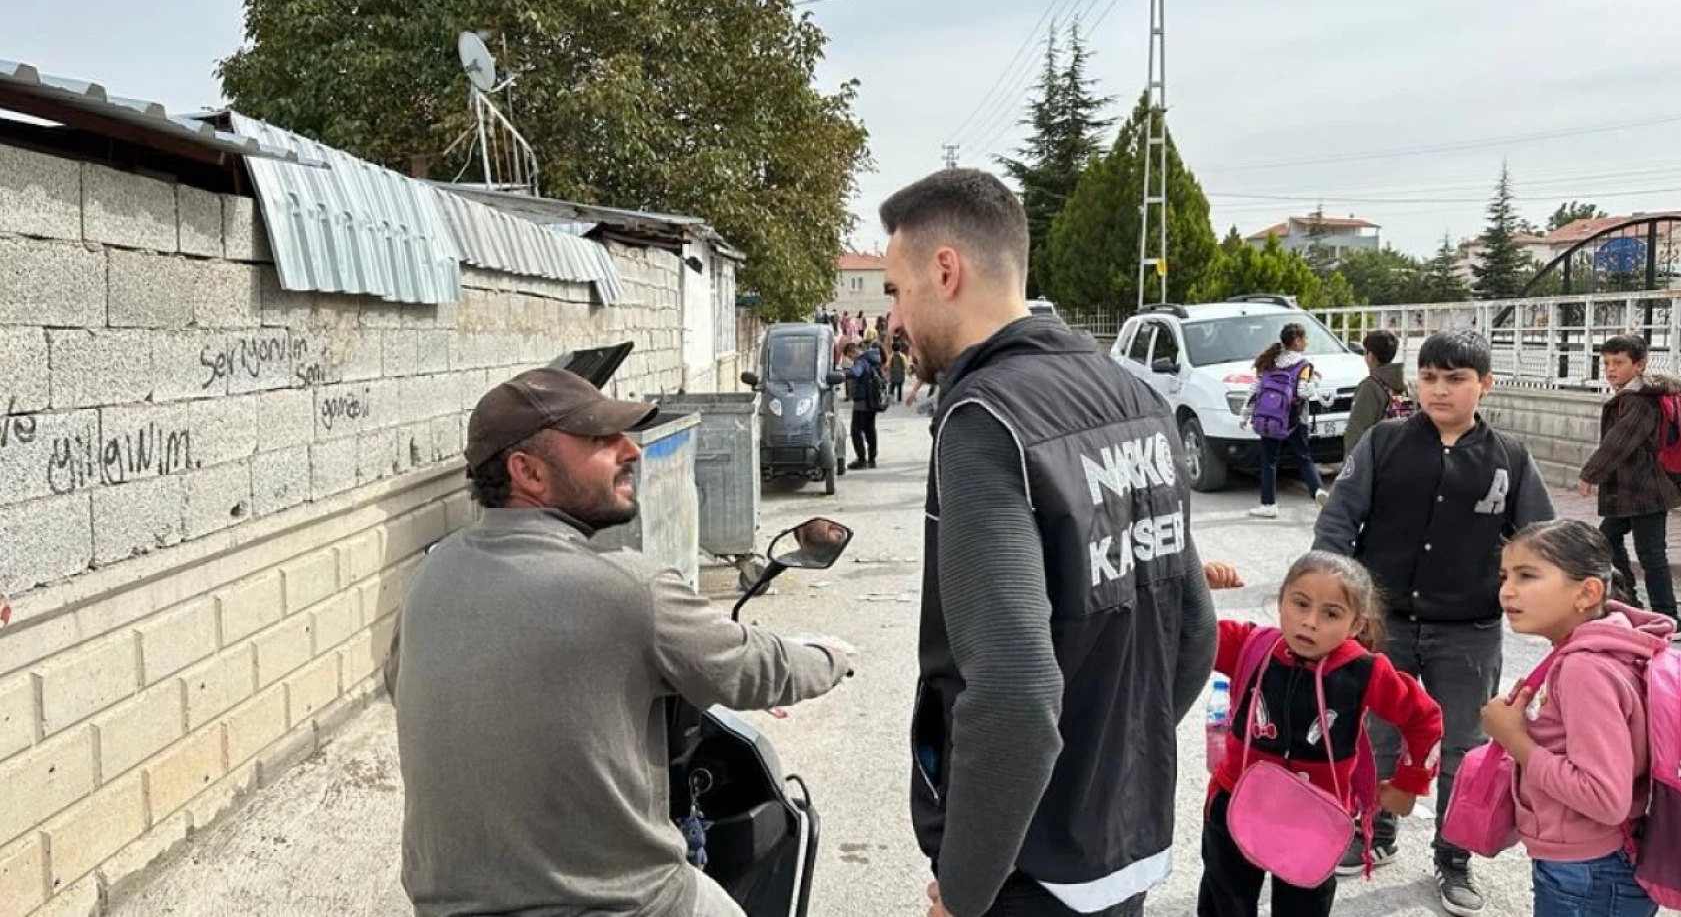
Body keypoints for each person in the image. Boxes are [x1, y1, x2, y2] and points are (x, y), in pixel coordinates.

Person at [389, 367, 852, 917]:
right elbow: (757, 670)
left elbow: (402, 682)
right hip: (622, 904)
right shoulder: (627, 588)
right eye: (598, 439)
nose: (629, 449)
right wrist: (832, 657)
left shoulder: (430, 578)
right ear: (528, 471)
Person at [881, 167, 1217, 917]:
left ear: (946, 271)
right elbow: (1195, 631)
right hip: (1118, 846)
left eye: (897, 292)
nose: (895, 323)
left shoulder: (984, 421)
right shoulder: (1136, 394)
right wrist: (1111, 760)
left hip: (1028, 867)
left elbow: (1014, 692)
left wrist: (966, 887)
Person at [1315, 329, 1555, 917]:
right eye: (1429, 377)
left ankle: (1453, 856)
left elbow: (1541, 542)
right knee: (1378, 734)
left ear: (1484, 385)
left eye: (1455, 379)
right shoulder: (1383, 443)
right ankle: (1375, 825)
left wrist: (1536, 598)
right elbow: (1338, 524)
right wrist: (1338, 602)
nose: (1439, 389)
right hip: (1384, 625)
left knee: (1462, 747)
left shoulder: (1510, 459)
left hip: (1467, 630)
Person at [1201, 551, 1444, 917]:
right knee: (1225, 904)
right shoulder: (1248, 645)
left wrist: (1408, 783)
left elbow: (1424, 717)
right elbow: (1181, 631)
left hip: (1314, 819)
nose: (1310, 622)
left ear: (1355, 624)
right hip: (1235, 802)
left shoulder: (1365, 670)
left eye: (1331, 613)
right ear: (1281, 600)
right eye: (1300, 604)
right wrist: (1194, 587)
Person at [1489, 519, 1673, 917]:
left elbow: (1604, 799)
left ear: (1587, 592)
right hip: (1601, 864)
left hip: (1589, 874)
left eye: (1527, 576)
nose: (1507, 589)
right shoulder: (1609, 645)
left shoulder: (1584, 668)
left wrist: (1514, 739)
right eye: (1505, 576)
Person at [1579, 333, 1681, 627]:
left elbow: (1619, 442)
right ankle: (1630, 600)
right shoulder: (1630, 396)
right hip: (1629, 492)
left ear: (1639, 365)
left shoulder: (1639, 401)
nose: (1611, 369)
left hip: (1646, 491)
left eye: (1619, 362)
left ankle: (1667, 616)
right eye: (1606, 362)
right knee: (1606, 540)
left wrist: (1590, 474)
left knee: (1651, 554)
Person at [1242, 323, 1331, 519]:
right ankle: (1317, 491)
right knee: (1303, 457)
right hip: (1294, 419)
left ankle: (1268, 504)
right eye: (1305, 338)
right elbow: (1302, 392)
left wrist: (1245, 413)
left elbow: (1255, 389)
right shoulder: (1303, 365)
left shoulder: (1270, 360)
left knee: (1269, 461)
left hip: (1270, 419)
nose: (1306, 342)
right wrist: (1315, 381)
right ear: (1297, 340)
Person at [1344, 329, 1408, 458]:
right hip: (1401, 454)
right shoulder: (1404, 383)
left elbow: (1357, 431)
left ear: (1371, 356)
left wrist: (1351, 470)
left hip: (1378, 459)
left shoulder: (1370, 387)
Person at [844, 341, 882, 469]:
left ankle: (861, 459)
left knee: (856, 431)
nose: (851, 359)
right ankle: (872, 459)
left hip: (862, 402)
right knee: (870, 429)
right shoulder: (872, 359)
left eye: (850, 357)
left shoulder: (861, 361)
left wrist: (842, 373)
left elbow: (855, 373)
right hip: (873, 401)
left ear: (853, 351)